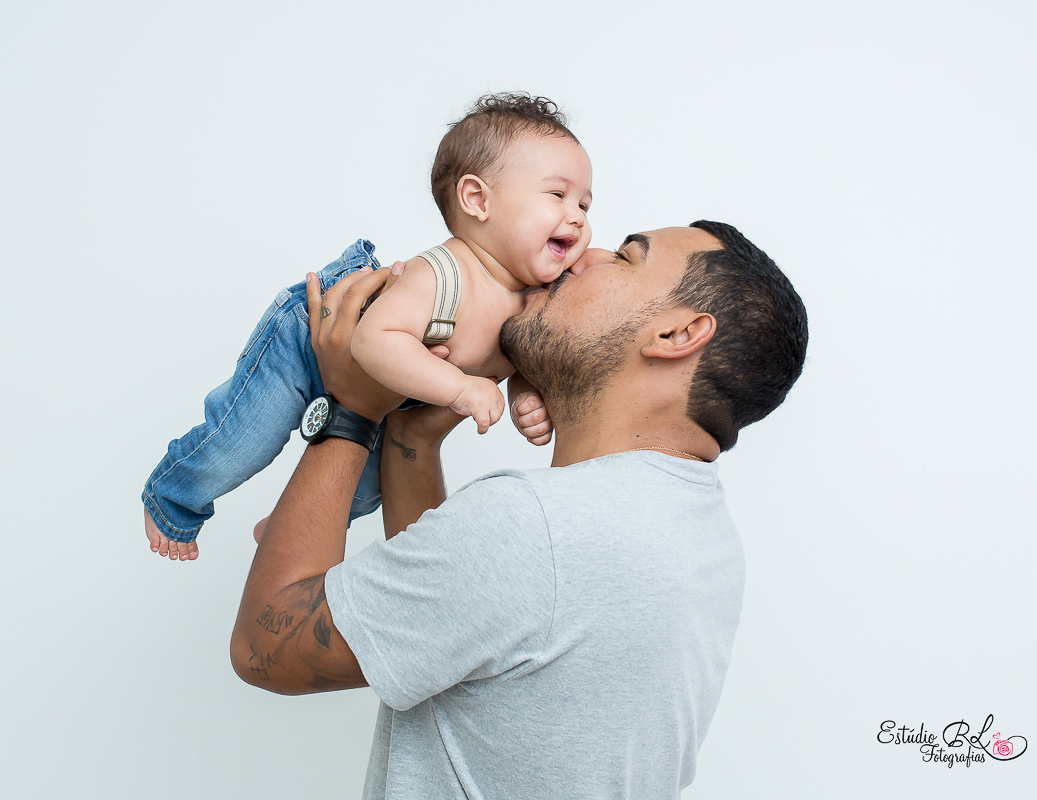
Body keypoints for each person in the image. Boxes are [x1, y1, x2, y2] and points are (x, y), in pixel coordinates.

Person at [230, 221, 809, 798]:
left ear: (677, 333)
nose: (586, 251)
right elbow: (453, 628)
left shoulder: (536, 527)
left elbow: (265, 648)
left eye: (628, 257)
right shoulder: (701, 534)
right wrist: (413, 435)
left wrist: (352, 405)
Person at [140, 93, 592, 560]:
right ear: (477, 199)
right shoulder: (444, 273)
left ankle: (284, 525)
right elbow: (373, 339)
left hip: (386, 394)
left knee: (371, 484)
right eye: (558, 195)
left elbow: (518, 362)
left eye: (585, 203)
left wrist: (526, 400)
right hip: (313, 341)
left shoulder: (533, 304)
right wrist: (459, 389)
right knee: (246, 439)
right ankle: (173, 498)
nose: (577, 216)